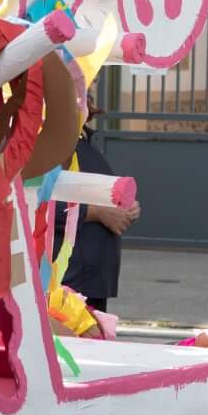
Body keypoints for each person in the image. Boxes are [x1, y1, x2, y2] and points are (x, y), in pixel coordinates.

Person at [64, 101, 138, 315]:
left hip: (94, 277)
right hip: (71, 276)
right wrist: (98, 213)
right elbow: (41, 203)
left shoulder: (86, 139)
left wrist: (127, 207)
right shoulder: (54, 143)